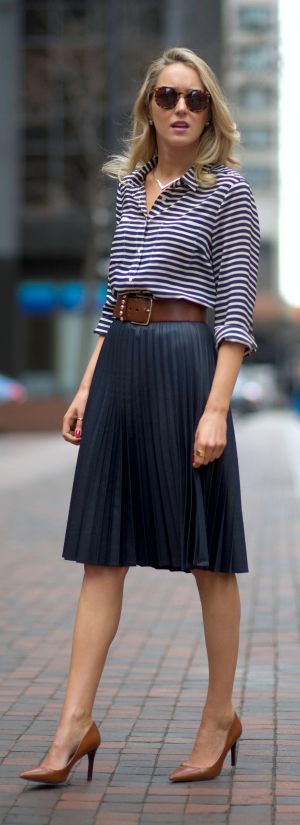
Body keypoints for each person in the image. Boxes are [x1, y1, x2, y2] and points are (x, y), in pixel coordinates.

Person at [20, 46, 260, 786]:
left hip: (188, 368)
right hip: (120, 363)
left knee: (208, 554)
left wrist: (215, 407)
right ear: (148, 108)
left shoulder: (229, 193)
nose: (180, 108)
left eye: (194, 97)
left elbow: (236, 311)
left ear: (209, 109)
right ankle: (72, 725)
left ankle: (220, 716)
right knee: (101, 550)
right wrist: (89, 385)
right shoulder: (128, 192)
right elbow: (112, 298)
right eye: (167, 96)